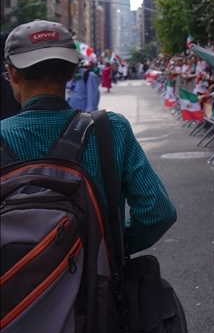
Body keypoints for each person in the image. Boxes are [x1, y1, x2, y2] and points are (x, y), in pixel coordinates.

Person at [2, 20, 177, 255]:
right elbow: (158, 213)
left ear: (11, 72)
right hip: (99, 287)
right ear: (74, 70)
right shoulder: (111, 129)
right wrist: (108, 248)